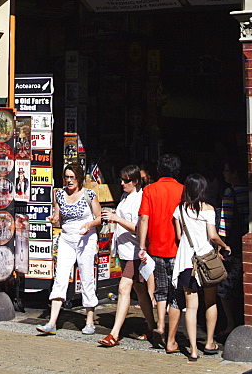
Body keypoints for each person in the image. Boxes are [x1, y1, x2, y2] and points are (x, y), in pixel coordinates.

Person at [36, 163, 101, 336]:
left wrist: (89, 224)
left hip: (85, 238)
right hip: (66, 238)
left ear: (79, 178)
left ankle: (89, 320)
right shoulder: (59, 194)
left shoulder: (89, 195)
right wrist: (53, 219)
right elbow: (58, 218)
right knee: (60, 277)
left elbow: (99, 217)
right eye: (67, 177)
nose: (69, 180)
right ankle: (52, 322)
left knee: (86, 277)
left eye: (73, 177)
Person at [172, 173, 231, 360]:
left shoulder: (180, 210)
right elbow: (213, 235)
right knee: (210, 302)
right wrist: (224, 245)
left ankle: (193, 349)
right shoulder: (208, 209)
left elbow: (179, 237)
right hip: (206, 260)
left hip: (186, 262)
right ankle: (209, 342)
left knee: (191, 307)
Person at [98, 164, 155, 347]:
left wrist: (116, 219)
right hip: (124, 250)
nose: (122, 183)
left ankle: (114, 334)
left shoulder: (140, 199)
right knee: (140, 290)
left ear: (136, 181)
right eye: (121, 180)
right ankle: (151, 326)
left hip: (134, 250)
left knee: (124, 288)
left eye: (126, 180)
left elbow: (140, 228)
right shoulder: (125, 196)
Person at [136, 153, 184, 351]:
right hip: (177, 249)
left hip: (155, 247)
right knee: (176, 293)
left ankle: (160, 325)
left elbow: (144, 219)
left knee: (160, 290)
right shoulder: (183, 190)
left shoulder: (149, 190)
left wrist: (141, 246)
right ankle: (171, 336)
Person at [216, 157, 249, 338]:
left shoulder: (230, 193)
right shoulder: (250, 192)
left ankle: (230, 323)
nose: (224, 173)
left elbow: (225, 221)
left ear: (235, 173)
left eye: (227, 170)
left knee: (225, 287)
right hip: (245, 242)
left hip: (233, 245)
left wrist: (221, 245)